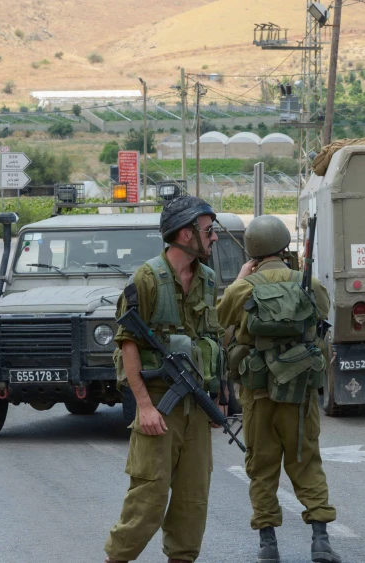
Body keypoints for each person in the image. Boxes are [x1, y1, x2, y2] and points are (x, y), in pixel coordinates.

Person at [103, 196, 224, 563]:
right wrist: (144, 407)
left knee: (192, 501)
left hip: (196, 404)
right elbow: (128, 345)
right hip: (158, 400)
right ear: (186, 234)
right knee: (148, 499)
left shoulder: (207, 280)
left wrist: (217, 396)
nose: (214, 238)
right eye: (208, 231)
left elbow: (213, 340)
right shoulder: (146, 279)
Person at [216, 215, 340, 563]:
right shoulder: (307, 283)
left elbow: (217, 320)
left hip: (257, 394)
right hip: (299, 392)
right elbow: (322, 316)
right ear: (285, 247)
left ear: (252, 252)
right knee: (306, 461)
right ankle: (320, 541)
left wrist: (241, 280)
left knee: (262, 466)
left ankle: (268, 545)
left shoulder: (243, 289)